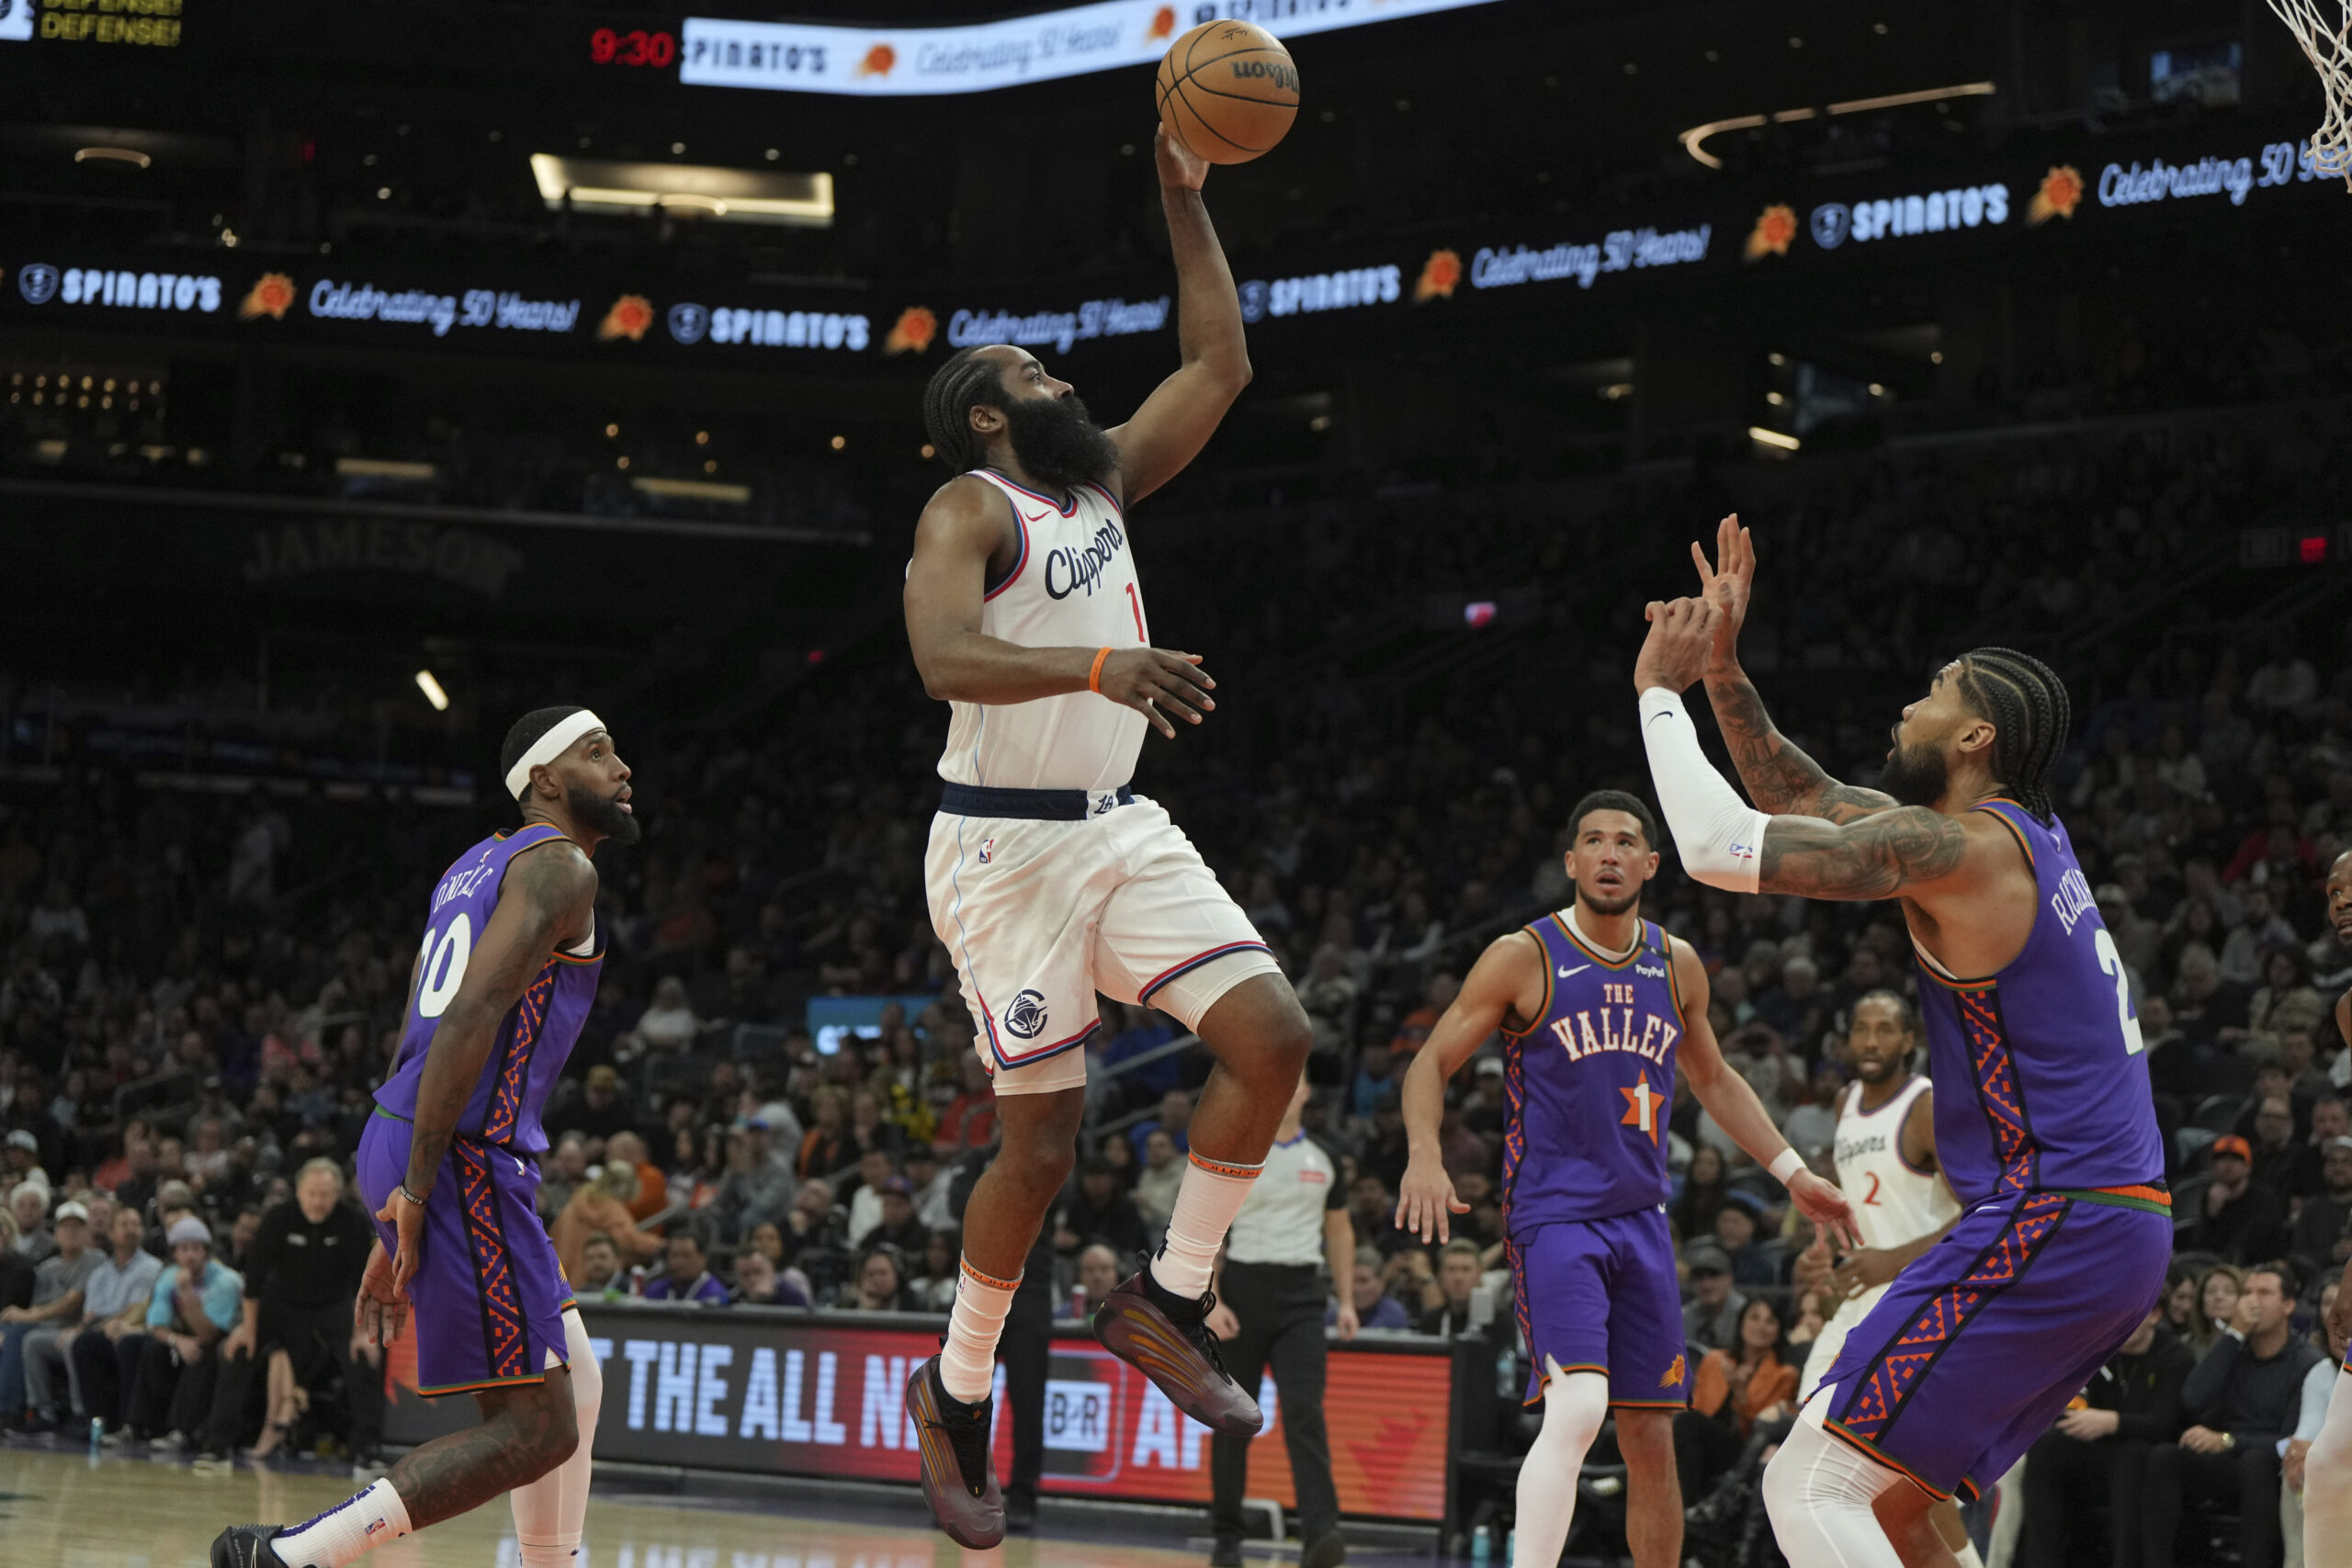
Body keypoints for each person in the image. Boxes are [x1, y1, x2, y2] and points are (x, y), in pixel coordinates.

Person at [900, 124, 1313, 1551]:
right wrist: (1097, 669)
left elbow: (1219, 366)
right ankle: (955, 1394)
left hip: (1118, 825)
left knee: (1275, 1035)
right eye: (1033, 374)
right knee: (1041, 1142)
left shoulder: (1100, 484)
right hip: (1001, 852)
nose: (1063, 379)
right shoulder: (968, 504)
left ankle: (1169, 1291)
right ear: (986, 417)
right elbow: (945, 657)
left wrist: (1182, 199)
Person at [1641, 519, 2173, 1568]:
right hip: (2108, 1227)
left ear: (1976, 738)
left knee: (1809, 1482)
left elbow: (1709, 848)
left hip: (2055, 1216)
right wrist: (1721, 672)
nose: (1908, 705)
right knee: (1895, 1507)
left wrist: (1656, 693)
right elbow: (1803, 796)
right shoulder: (2017, 841)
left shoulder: (1965, 851)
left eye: (1934, 691)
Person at [214, 705, 638, 1568]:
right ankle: (300, 1556)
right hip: (462, 1150)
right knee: (537, 1424)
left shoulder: (469, 867)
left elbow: (421, 1023)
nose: (624, 767)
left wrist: (400, 1184)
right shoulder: (561, 867)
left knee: (576, 1377)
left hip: (412, 1127)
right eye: (598, 752)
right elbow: (470, 1017)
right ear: (546, 781)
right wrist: (418, 1189)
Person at [1394, 789, 1856, 1568]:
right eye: (1593, 841)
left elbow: (1714, 1079)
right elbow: (1429, 1062)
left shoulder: (1676, 962)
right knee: (1578, 1405)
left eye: (1626, 841)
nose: (1609, 853)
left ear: (1650, 862)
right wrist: (1424, 1153)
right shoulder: (1523, 954)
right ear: (1571, 861)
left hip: (1642, 1220)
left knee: (1650, 1433)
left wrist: (1791, 1170)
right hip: (1554, 1216)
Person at [1202, 1072, 1354, 1568]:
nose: (1289, 1089)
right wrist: (1214, 1299)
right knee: (1232, 1419)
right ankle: (1227, 1533)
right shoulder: (1242, 1149)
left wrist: (1347, 1301)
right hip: (1241, 1294)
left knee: (1305, 1414)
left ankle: (1321, 1533)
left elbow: (1339, 1232)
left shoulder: (1326, 1157)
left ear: (1308, 1093)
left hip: (1302, 1297)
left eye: (1298, 1083)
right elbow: (1211, 1228)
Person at [1797, 991, 1962, 1410]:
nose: (1871, 1042)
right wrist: (1823, 1255)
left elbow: (1980, 1212)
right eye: (1861, 1030)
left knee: (1872, 1439)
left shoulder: (1925, 1106)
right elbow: (1867, 1203)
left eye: (1885, 1031)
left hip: (1921, 1296)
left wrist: (1894, 1260)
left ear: (1908, 1042)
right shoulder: (1844, 1103)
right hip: (1863, 1297)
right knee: (1808, 1412)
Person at [2143, 1262, 2322, 1568]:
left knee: (2256, 1463)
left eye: (2264, 1293)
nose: (2251, 1302)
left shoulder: (2307, 1363)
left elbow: (2290, 1440)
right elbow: (2192, 1399)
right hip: (2229, 1464)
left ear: (2288, 1305)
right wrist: (2234, 1333)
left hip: (2272, 1469)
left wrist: (2229, 1440)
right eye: (2247, 1293)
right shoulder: (2234, 1350)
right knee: (2165, 1457)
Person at [198, 1158, 377, 1464]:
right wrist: (249, 1330)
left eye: (326, 1195)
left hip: (334, 1305)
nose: (318, 1202)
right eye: (312, 1194)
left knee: (364, 1358)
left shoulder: (354, 1223)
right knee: (238, 1353)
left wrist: (361, 1333)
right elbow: (254, 1280)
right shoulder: (279, 1219)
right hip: (280, 1302)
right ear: (298, 1191)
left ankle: (366, 1451)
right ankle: (217, 1445)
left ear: (337, 1194)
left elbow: (365, 1283)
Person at [2018, 1298, 2191, 1568]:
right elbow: (2081, 1402)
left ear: (2155, 1316)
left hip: (2148, 1455)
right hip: (2101, 1449)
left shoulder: (2175, 1355)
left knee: (2132, 1456)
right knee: (2046, 1448)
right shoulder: (2101, 1349)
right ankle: (2041, 1561)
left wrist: (2114, 1422)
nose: (2121, 1325)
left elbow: (2166, 1424)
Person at [124, 1215, 241, 1448]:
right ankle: (140, 1425)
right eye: (184, 1249)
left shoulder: (226, 1281)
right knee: (153, 1349)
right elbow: (156, 1325)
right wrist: (177, 1340)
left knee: (202, 1352)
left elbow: (208, 1332)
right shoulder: (168, 1277)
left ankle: (183, 1431)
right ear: (175, 1254)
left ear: (206, 1252)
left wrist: (186, 1294)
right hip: (186, 1337)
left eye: (196, 1249)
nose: (190, 1255)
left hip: (222, 1341)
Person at [1678, 1297, 1799, 1499]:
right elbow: (1695, 1407)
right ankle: (1687, 1518)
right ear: (1741, 1322)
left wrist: (1740, 1394)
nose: (1761, 1327)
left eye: (1770, 1322)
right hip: (1703, 1438)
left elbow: (1764, 1428)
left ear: (1779, 1331)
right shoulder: (1716, 1360)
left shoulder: (1785, 1375)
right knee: (1689, 1446)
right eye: (1754, 1318)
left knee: (1689, 1424)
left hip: (1744, 1451)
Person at [56, 1203, 164, 1434]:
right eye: (124, 1225)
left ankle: (128, 1422)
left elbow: (138, 1308)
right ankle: (94, 1418)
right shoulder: (100, 1273)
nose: (131, 1230)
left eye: (136, 1225)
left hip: (136, 1327)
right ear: (111, 1233)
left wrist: (109, 1322)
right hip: (104, 1327)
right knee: (81, 1343)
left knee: (123, 1343)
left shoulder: (151, 1268)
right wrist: (81, 1327)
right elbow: (90, 1314)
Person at [0, 1197, 96, 1431]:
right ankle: (40, 1410)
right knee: (19, 1334)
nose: (71, 1232)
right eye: (65, 1226)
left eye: (77, 1226)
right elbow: (37, 1304)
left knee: (19, 1335)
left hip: (73, 1325)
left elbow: (72, 1302)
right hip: (44, 1326)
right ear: (56, 1232)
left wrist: (26, 1317)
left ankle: (11, 1410)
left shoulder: (94, 1259)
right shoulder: (47, 1267)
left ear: (87, 1232)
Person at [551, 1159, 663, 1287]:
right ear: (625, 1186)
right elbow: (629, 1240)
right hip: (589, 1282)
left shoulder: (573, 1205)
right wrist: (658, 1245)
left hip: (559, 1280)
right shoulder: (612, 1208)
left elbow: (553, 1236)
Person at [639, 1229, 729, 1305]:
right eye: (674, 1255)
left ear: (703, 1258)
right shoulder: (656, 1289)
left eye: (687, 1255)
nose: (680, 1262)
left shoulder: (714, 1294)